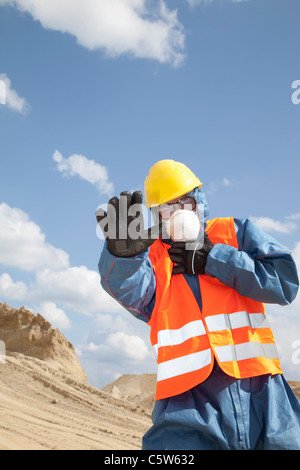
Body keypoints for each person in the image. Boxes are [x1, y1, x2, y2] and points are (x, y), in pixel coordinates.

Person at [97, 159, 300, 450]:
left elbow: (285, 283)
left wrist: (215, 259)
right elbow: (127, 291)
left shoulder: (235, 233)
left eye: (186, 203)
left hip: (263, 392)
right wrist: (121, 257)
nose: (177, 215)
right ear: (157, 217)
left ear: (200, 200)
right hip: (187, 406)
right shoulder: (151, 257)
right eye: (166, 210)